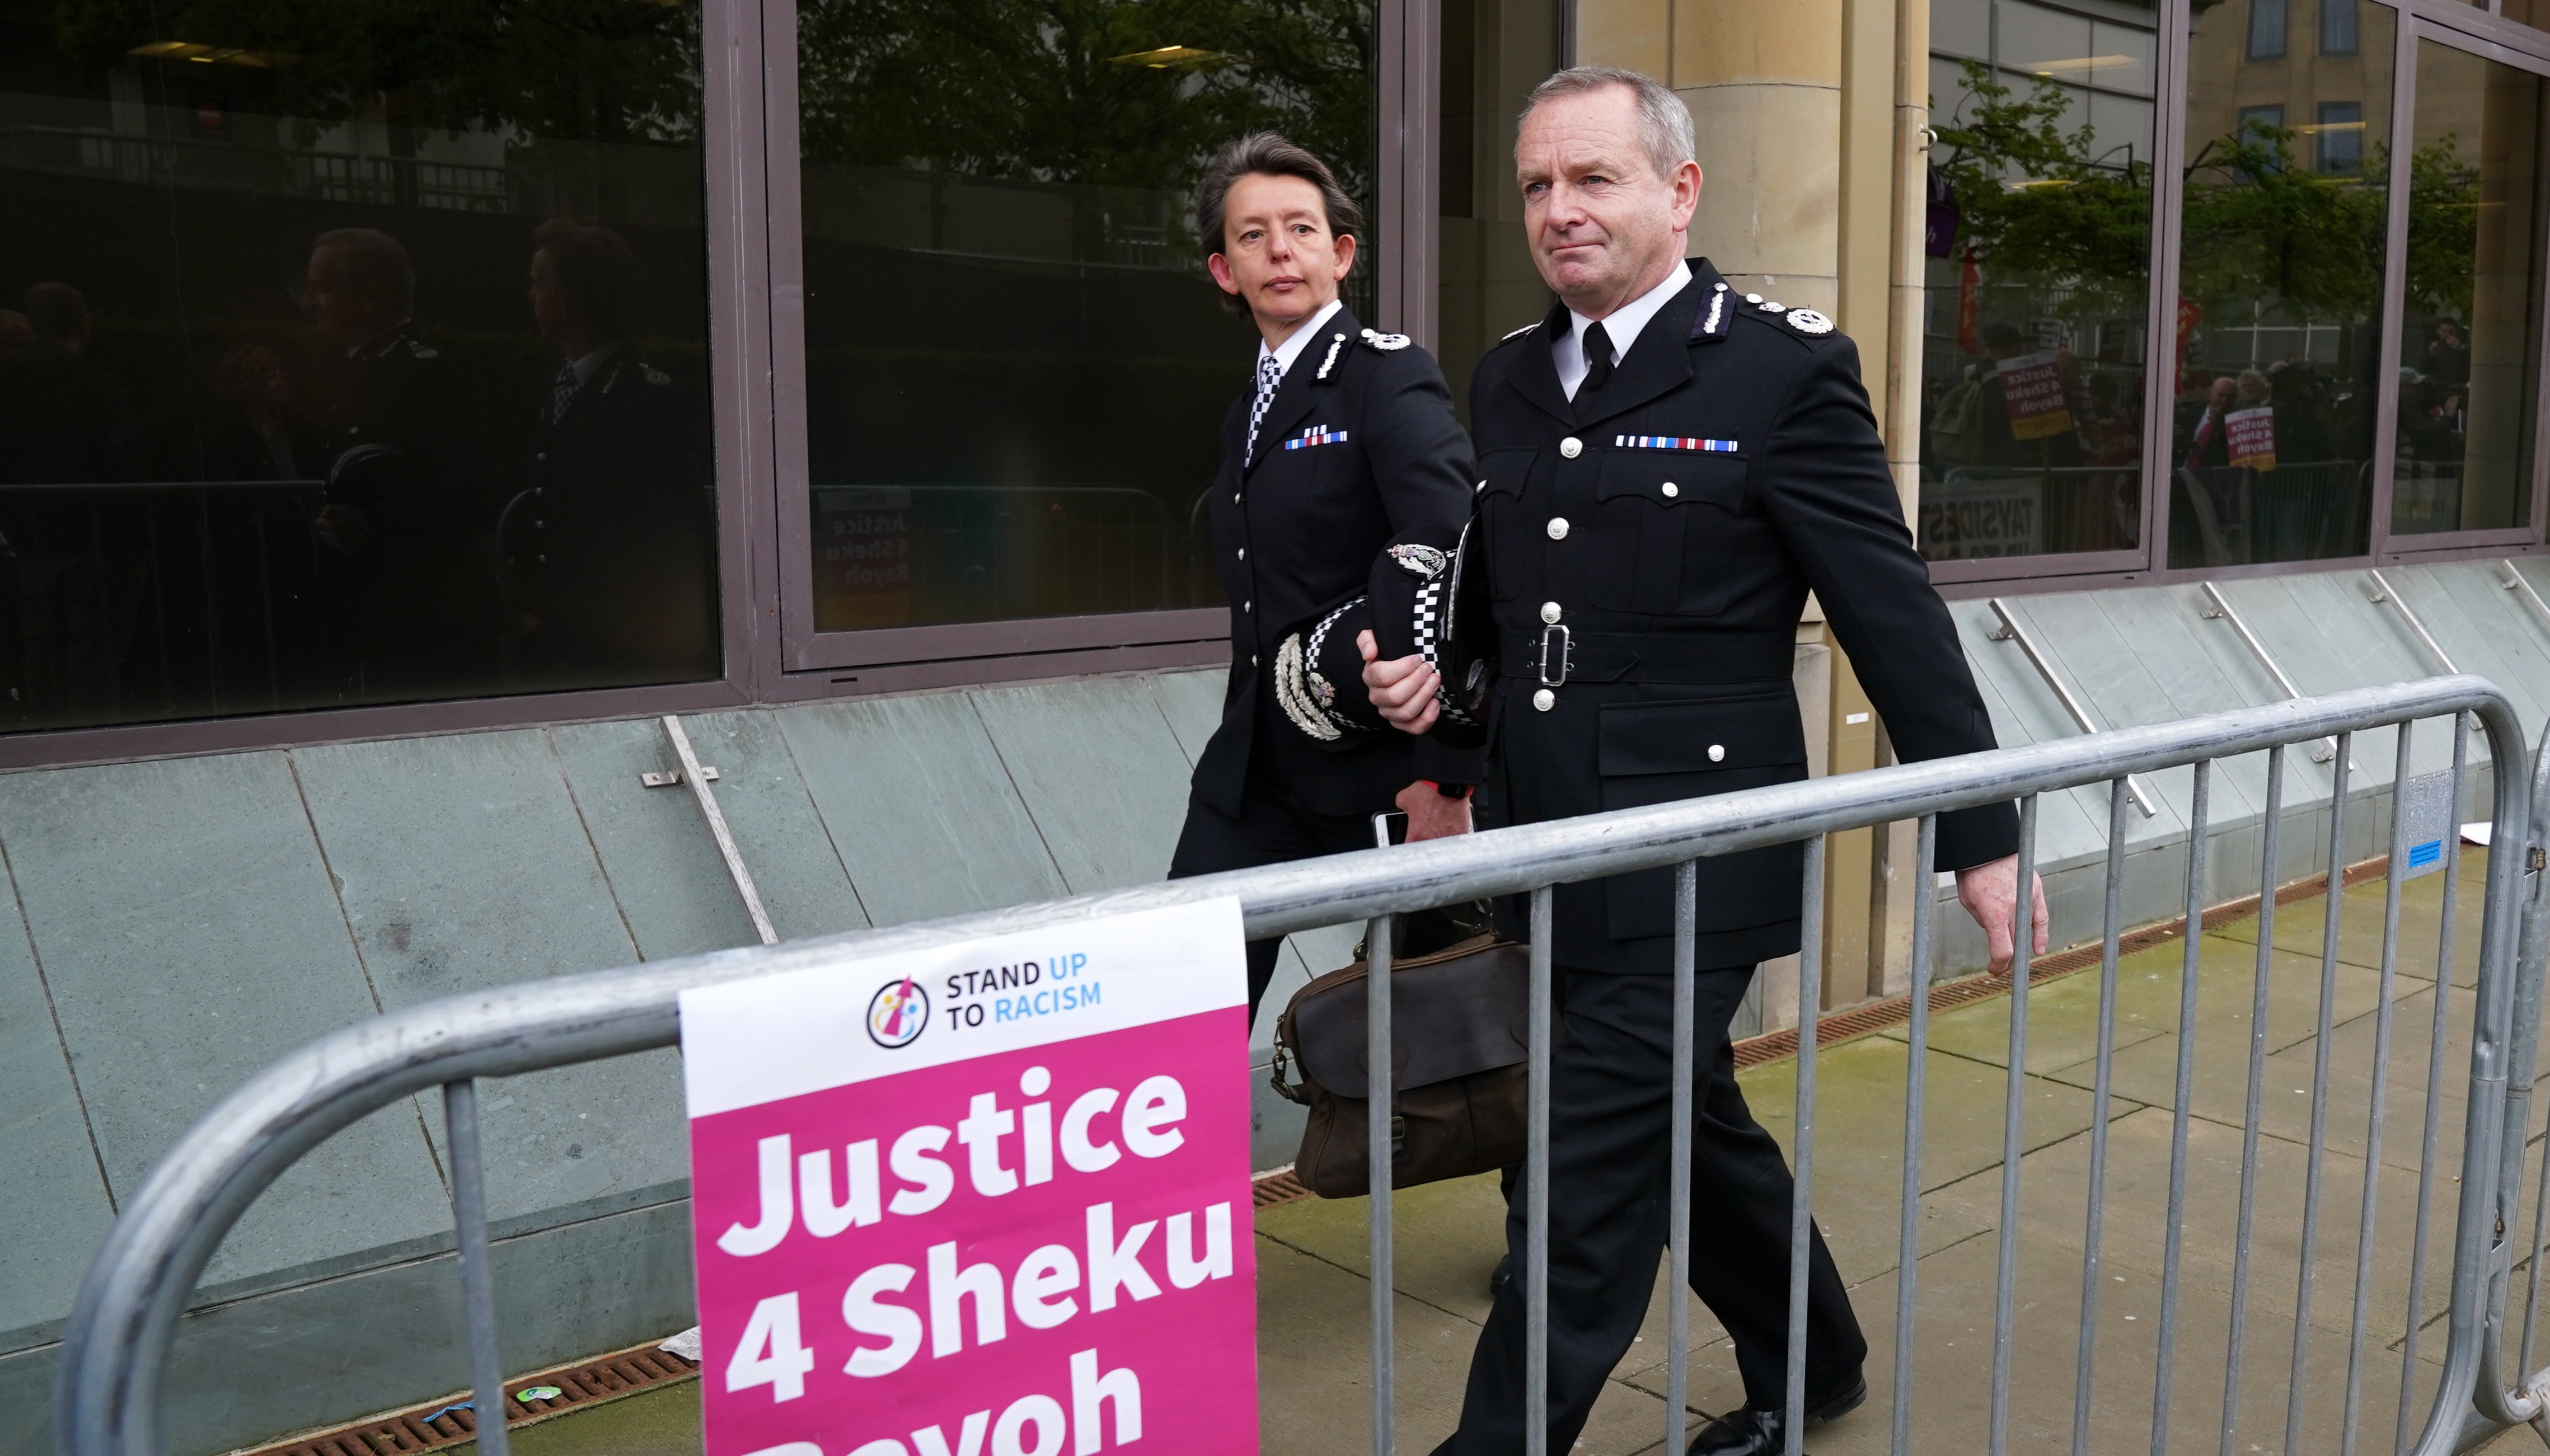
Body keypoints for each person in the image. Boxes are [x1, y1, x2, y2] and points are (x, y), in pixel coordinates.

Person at [1361, 67, 2046, 1456]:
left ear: (1676, 193)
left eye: (1592, 178)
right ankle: (1817, 1361)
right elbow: (1496, 604)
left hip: (1693, 852)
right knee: (1688, 1124)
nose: (1559, 211)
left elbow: (1887, 610)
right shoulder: (1505, 374)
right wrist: (1442, 760)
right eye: (1538, 186)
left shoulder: (1779, 369)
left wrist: (1978, 832)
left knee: (1583, 1178)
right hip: (1553, 839)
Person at [1164, 133, 1485, 1021]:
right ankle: (1190, 1163)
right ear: (1224, 270)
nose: (1280, 250)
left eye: (1302, 229)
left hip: (1378, 767)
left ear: (1340, 255)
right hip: (1255, 773)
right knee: (1182, 1009)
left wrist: (1445, 775)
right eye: (1253, 234)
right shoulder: (1245, 415)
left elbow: (1447, 546)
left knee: (1444, 1037)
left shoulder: (1387, 379)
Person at [500, 218, 715, 687]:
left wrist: (560, 615)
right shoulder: (559, 382)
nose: (531, 297)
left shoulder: (646, 397)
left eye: (540, 285)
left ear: (572, 298)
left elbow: (641, 530)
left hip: (610, 641)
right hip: (558, 634)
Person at [301, 227, 500, 694]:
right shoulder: (360, 369)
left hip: (424, 615)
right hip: (382, 611)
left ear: (369, 298)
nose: (311, 301)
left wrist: (376, 528)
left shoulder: (425, 377)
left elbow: (473, 491)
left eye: (322, 287)